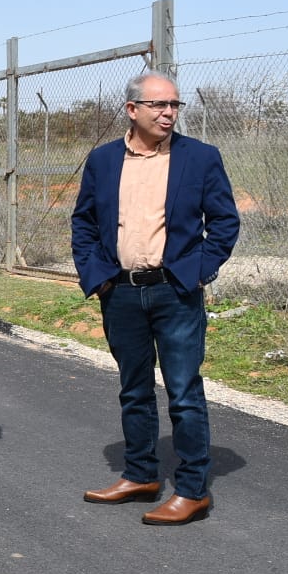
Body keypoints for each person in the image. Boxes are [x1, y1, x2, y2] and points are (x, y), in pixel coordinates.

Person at [71, 71, 240, 526]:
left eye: (175, 106)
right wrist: (98, 277)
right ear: (132, 110)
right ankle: (141, 474)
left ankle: (192, 490)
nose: (169, 114)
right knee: (134, 390)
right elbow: (84, 222)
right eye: (159, 106)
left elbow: (224, 224)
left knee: (184, 393)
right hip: (121, 292)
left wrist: (197, 274)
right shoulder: (103, 160)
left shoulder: (200, 158)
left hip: (176, 291)